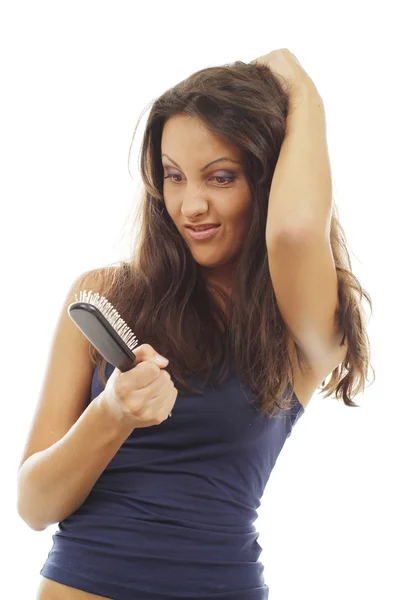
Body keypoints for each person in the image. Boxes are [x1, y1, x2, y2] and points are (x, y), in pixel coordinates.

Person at [17, 53, 373, 600]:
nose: (191, 205)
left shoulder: (302, 326)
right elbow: (35, 506)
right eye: (174, 177)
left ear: (269, 174)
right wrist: (112, 414)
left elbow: (296, 233)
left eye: (221, 177)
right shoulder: (108, 295)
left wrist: (301, 90)